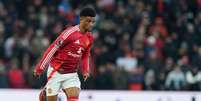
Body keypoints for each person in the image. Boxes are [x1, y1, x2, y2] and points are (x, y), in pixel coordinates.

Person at [33, 7, 96, 101]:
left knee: (74, 98)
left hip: (72, 74)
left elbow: (86, 54)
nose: (91, 24)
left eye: (93, 22)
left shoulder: (89, 37)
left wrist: (85, 70)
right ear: (81, 19)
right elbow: (52, 49)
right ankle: (44, 93)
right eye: (88, 21)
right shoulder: (69, 34)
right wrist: (40, 68)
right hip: (56, 71)